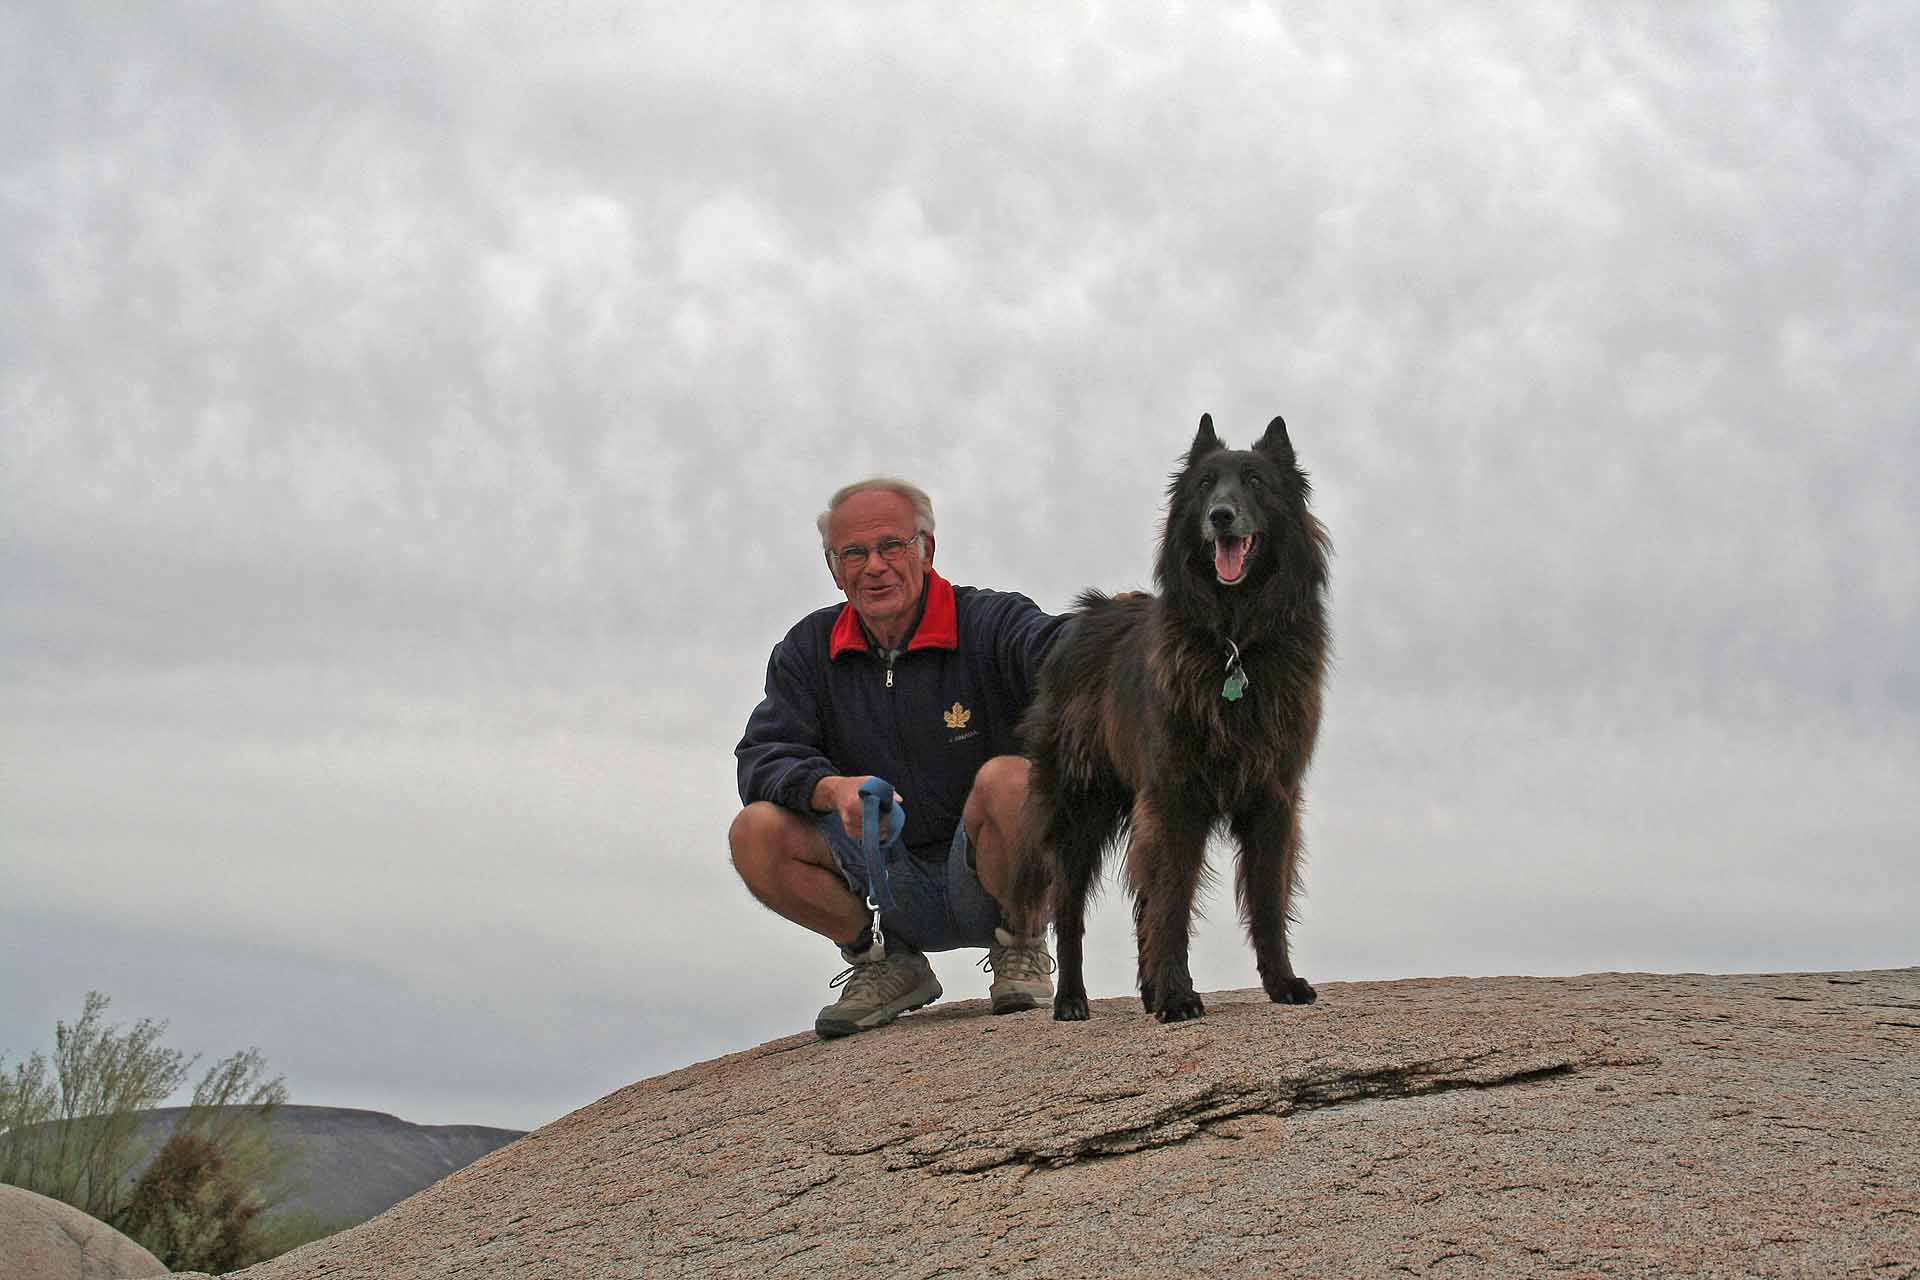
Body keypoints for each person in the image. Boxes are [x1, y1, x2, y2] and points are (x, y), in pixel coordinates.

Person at [731, 476, 1067, 1038]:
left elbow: (1054, 647)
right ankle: (880, 963)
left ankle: (1022, 943)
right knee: (754, 832)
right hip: (881, 875)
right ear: (834, 568)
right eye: (854, 553)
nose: (875, 566)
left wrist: (1109, 634)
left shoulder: (988, 622)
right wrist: (831, 789)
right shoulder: (809, 650)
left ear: (927, 550)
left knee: (1012, 780)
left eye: (892, 546)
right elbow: (763, 755)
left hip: (987, 870)